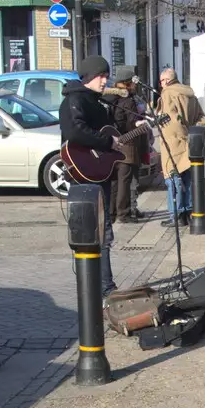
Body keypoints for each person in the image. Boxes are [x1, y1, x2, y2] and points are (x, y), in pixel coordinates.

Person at [58, 54, 121, 294]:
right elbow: (76, 132)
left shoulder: (97, 101)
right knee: (96, 231)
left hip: (99, 172)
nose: (105, 80)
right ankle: (104, 287)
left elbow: (106, 131)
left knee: (104, 230)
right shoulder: (75, 101)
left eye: (106, 75)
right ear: (89, 77)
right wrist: (107, 143)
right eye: (101, 76)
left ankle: (102, 284)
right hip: (84, 174)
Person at [156, 67, 205, 228]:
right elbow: (203, 118)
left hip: (174, 141)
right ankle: (188, 212)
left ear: (165, 81)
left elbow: (170, 122)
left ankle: (176, 215)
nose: (161, 84)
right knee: (188, 177)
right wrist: (192, 131)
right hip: (190, 141)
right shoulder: (189, 94)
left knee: (173, 178)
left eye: (161, 81)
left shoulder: (167, 94)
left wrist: (182, 133)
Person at [104, 66, 147, 223]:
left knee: (116, 180)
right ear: (128, 83)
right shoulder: (127, 99)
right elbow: (131, 121)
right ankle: (124, 213)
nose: (135, 85)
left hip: (113, 142)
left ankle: (112, 212)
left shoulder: (111, 97)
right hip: (127, 145)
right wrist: (139, 123)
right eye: (133, 82)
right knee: (125, 180)